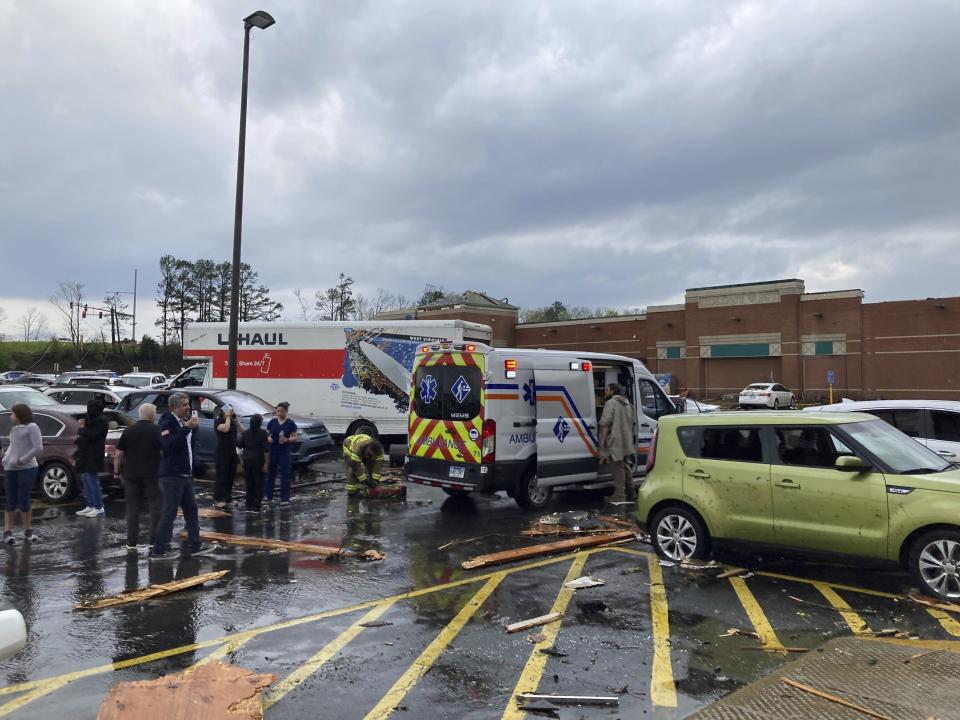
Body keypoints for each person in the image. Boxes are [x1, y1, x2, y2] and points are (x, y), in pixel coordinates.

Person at [151, 393, 214, 561]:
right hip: (172, 475)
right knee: (169, 513)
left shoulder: (184, 421)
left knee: (191, 511)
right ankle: (159, 550)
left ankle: (195, 544)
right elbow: (169, 445)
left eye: (188, 404)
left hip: (186, 475)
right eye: (184, 405)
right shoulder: (167, 422)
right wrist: (187, 428)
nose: (188, 407)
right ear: (174, 407)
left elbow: (190, 446)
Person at [114, 403, 163, 552]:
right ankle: (154, 541)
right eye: (154, 413)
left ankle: (131, 543)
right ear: (152, 415)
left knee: (132, 509)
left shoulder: (129, 431)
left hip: (131, 475)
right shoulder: (157, 430)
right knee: (155, 508)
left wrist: (117, 472)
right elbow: (163, 452)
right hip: (153, 474)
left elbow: (118, 455)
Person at [2, 404, 42, 544]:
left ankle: (28, 530)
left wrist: (22, 460)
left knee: (23, 498)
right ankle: (7, 532)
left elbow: (38, 447)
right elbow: (14, 447)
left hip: (27, 468)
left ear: (19, 414)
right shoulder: (14, 429)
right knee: (11, 499)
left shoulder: (32, 427)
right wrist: (5, 458)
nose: (10, 416)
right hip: (10, 468)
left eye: (12, 413)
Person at [599, 383, 637, 503]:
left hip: (615, 439)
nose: (605, 392)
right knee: (625, 465)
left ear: (612, 391)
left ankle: (619, 495)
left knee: (617, 467)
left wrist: (603, 440)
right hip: (626, 439)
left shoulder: (611, 403)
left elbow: (606, 422)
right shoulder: (628, 404)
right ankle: (632, 492)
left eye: (607, 389)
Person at [343, 434, 404, 498]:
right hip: (348, 445)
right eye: (369, 454)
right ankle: (352, 492)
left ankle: (368, 488)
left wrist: (375, 480)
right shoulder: (358, 449)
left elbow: (377, 467)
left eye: (371, 455)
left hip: (366, 448)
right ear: (367, 449)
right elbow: (355, 466)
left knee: (371, 464)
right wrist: (365, 481)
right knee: (353, 470)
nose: (368, 457)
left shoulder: (379, 452)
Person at [75, 399, 108, 518]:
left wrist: (83, 427)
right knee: (85, 478)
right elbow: (82, 434)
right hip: (85, 453)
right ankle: (90, 504)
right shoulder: (92, 419)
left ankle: (98, 507)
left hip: (94, 454)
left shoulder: (101, 421)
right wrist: (83, 427)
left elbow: (90, 436)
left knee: (92, 479)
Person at [265, 402, 298, 508]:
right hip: (273, 449)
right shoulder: (272, 422)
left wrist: (288, 439)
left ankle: (285, 498)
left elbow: (295, 437)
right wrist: (268, 438)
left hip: (284, 451)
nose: (279, 413)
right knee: (271, 473)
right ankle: (268, 496)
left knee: (285, 474)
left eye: (282, 411)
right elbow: (267, 433)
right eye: (278, 411)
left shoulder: (290, 423)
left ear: (286, 412)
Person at [213, 403, 243, 509]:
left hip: (232, 452)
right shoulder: (219, 421)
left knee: (230, 476)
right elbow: (225, 429)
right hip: (222, 452)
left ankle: (228, 497)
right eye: (229, 410)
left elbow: (243, 431)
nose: (231, 412)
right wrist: (227, 418)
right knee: (222, 476)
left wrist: (237, 421)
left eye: (232, 410)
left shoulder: (233, 422)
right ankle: (218, 498)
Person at [237, 414, 269, 512]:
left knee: (249, 483)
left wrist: (242, 460)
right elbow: (266, 450)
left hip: (247, 460)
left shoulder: (246, 433)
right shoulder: (263, 433)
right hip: (258, 460)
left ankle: (248, 504)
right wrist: (266, 464)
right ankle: (256, 506)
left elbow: (240, 447)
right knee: (258, 484)